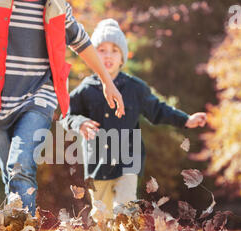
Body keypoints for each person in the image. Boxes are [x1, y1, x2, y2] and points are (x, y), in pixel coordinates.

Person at [0, 1, 125, 216]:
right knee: (10, 175)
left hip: (40, 95)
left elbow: (81, 42)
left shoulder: (56, 7)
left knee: (20, 167)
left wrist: (107, 81)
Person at [60, 19, 207, 217]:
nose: (108, 55)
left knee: (125, 208)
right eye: (101, 50)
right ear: (93, 56)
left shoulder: (135, 88)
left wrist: (186, 120)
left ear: (122, 57)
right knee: (101, 214)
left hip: (127, 160)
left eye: (114, 50)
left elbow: (158, 109)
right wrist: (80, 123)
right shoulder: (86, 89)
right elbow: (66, 114)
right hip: (97, 163)